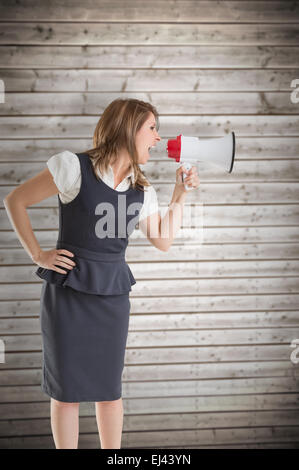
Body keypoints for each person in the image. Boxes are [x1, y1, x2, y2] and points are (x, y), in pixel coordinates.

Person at [3, 98, 199, 449]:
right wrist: (38, 254)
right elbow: (16, 200)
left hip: (112, 299)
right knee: (66, 394)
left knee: (109, 392)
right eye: (152, 128)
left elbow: (164, 241)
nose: (157, 138)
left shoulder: (144, 191)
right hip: (69, 297)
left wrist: (180, 195)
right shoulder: (73, 167)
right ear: (128, 128)